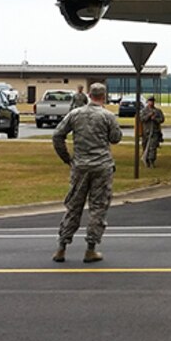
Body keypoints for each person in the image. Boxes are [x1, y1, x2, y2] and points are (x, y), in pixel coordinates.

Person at [51, 82, 123, 263]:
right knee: (98, 207)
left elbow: (57, 135)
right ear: (103, 97)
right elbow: (115, 138)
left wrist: (67, 158)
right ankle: (91, 248)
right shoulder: (107, 116)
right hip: (101, 166)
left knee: (74, 205)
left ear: (89, 95)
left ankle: (62, 246)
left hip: (80, 166)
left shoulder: (75, 114)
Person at [139, 96, 165, 168]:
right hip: (146, 132)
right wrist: (148, 116)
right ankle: (146, 160)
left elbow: (162, 119)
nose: (151, 103)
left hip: (154, 132)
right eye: (150, 101)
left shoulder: (158, 111)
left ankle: (152, 160)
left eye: (152, 101)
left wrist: (155, 119)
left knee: (152, 147)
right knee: (145, 146)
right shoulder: (144, 111)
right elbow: (141, 119)